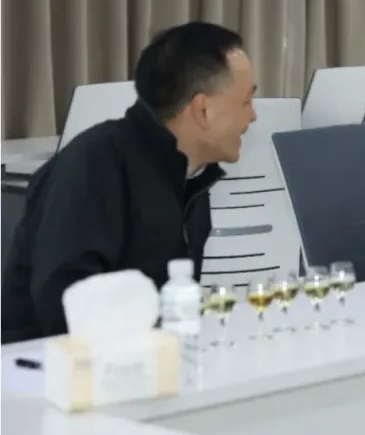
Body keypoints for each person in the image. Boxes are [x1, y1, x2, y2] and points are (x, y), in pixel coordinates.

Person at [1, 22, 257, 343]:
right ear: (203, 110)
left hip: (145, 360)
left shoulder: (191, 178)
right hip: (46, 365)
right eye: (245, 102)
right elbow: (65, 308)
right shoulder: (95, 164)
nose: (253, 117)